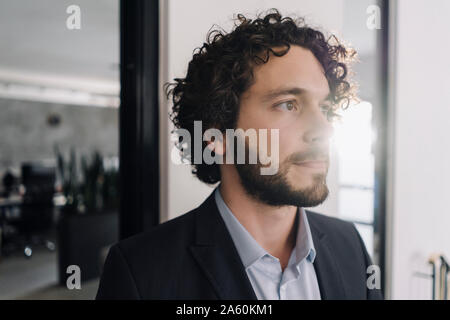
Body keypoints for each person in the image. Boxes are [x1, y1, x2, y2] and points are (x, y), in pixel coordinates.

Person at [96, 9, 383, 300]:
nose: (323, 129)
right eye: (288, 105)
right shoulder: (141, 273)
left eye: (325, 109)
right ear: (217, 134)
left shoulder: (350, 246)